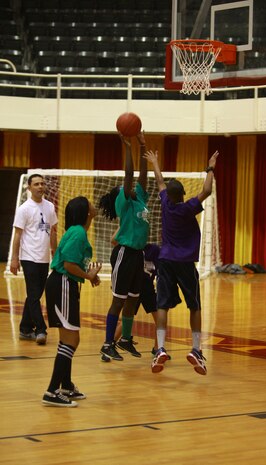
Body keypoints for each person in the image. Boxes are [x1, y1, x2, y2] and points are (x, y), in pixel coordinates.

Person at [143, 149, 219, 375]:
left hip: (165, 260)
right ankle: (195, 349)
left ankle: (161, 348)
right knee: (194, 305)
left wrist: (155, 162)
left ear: (170, 194)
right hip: (185, 262)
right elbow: (207, 189)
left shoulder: (165, 204)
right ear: (183, 195)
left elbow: (158, 180)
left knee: (162, 305)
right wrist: (211, 167)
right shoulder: (187, 208)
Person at [42, 196, 101, 407]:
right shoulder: (77, 232)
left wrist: (89, 275)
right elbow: (67, 264)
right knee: (71, 340)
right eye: (90, 203)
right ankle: (51, 391)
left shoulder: (78, 231)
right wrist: (88, 276)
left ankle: (65, 385)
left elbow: (73, 264)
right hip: (62, 284)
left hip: (65, 284)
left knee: (68, 338)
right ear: (86, 211)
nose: (94, 205)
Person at [99, 131, 149, 362]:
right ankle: (108, 344)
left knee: (132, 300)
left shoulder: (139, 198)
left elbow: (141, 176)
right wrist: (127, 146)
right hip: (124, 254)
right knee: (118, 301)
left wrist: (142, 146)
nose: (126, 185)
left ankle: (126, 339)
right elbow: (129, 174)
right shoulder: (124, 202)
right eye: (123, 186)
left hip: (138, 255)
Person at [10, 173, 58, 345]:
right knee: (34, 294)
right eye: (36, 184)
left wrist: (55, 253)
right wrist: (14, 259)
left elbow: (52, 231)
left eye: (42, 184)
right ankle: (41, 330)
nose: (40, 187)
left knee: (35, 295)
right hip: (28, 257)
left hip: (44, 258)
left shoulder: (50, 207)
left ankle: (24, 329)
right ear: (29, 188)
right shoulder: (24, 209)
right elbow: (17, 235)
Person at [113, 242, 161, 355]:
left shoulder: (152, 250)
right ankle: (158, 349)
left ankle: (110, 345)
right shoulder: (137, 250)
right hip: (140, 286)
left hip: (142, 286)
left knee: (128, 318)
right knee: (159, 320)